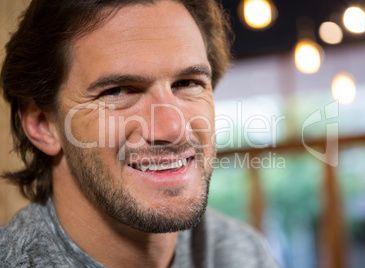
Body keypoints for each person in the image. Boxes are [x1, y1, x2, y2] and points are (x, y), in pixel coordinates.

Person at [0, 0, 280, 267]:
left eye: (187, 83)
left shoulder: (245, 254)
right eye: (118, 90)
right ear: (42, 125)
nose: (173, 128)